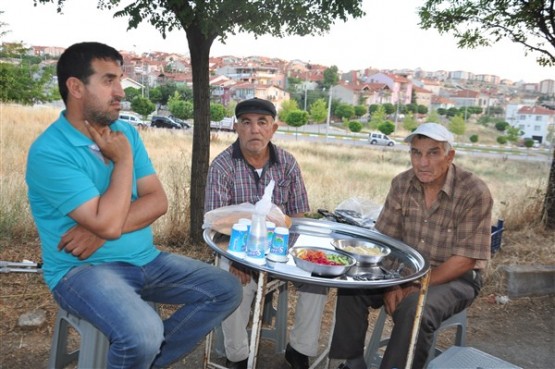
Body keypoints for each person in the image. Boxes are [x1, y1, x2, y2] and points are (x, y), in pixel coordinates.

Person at [25, 41, 242, 369]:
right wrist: (123, 161)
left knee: (225, 288)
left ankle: (143, 362)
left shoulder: (125, 131)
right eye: (108, 80)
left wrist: (100, 230)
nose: (121, 92)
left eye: (120, 80)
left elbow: (158, 202)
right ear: (75, 87)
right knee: (142, 335)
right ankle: (140, 353)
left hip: (147, 260)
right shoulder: (50, 152)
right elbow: (112, 221)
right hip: (81, 272)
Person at [329, 123, 493, 369]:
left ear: (450, 156)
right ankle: (351, 362)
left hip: (455, 276)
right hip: (404, 271)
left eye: (433, 152)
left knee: (416, 308)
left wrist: (415, 284)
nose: (422, 162)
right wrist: (392, 283)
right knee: (354, 284)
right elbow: (384, 242)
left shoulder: (473, 192)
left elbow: (465, 259)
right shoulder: (402, 184)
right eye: (416, 152)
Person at [205, 97, 328, 369]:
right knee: (234, 282)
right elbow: (216, 224)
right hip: (236, 250)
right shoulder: (223, 166)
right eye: (246, 123)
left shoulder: (287, 163)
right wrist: (239, 259)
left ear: (274, 128)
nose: (254, 130)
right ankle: (237, 356)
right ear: (236, 127)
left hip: (281, 248)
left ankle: (299, 349)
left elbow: (296, 216)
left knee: (317, 277)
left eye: (262, 122)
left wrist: (292, 255)